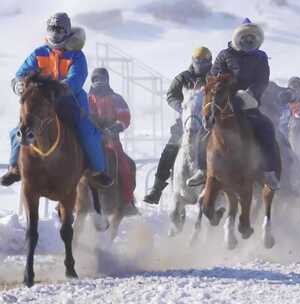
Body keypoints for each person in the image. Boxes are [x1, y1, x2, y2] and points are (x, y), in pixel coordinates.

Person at [1, 12, 111, 187]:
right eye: (52, 28)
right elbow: (21, 74)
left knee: (86, 131)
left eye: (59, 29)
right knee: (18, 131)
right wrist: (19, 85)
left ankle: (98, 170)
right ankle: (15, 168)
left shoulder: (76, 55)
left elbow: (76, 79)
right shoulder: (38, 53)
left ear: (66, 32)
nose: (55, 32)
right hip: (42, 103)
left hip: (70, 101)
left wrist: (59, 89)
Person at [186, 18, 281, 190]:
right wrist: (222, 88)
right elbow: (213, 77)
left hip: (248, 105)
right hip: (223, 103)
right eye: (245, 37)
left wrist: (251, 93)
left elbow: (262, 79)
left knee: (267, 128)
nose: (248, 41)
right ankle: (201, 169)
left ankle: (269, 171)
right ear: (238, 37)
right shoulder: (225, 55)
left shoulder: (260, 57)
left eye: (251, 38)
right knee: (203, 130)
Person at [143, 47, 213, 204]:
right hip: (186, 121)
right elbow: (171, 95)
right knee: (171, 147)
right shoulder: (184, 77)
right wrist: (181, 107)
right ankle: (157, 188)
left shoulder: (213, 78)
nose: (200, 65)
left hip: (209, 122)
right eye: (198, 62)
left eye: (204, 62)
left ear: (209, 63)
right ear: (193, 62)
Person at [88, 68, 138, 215]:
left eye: (101, 79)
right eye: (95, 79)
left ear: (107, 80)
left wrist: (114, 128)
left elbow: (125, 117)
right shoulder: (87, 98)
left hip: (111, 139)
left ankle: (127, 201)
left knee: (124, 165)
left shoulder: (116, 98)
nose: (98, 82)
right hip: (91, 138)